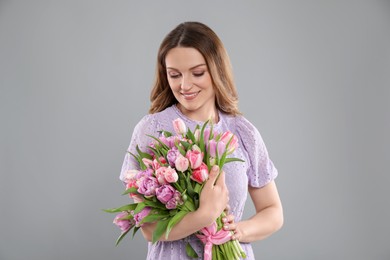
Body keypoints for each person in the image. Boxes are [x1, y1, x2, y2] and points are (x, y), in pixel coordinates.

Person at [120, 21, 283, 259]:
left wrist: (237, 230)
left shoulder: (242, 131)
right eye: (174, 75)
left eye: (197, 73)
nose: (185, 85)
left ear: (217, 70)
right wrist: (204, 216)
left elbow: (273, 211)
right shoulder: (152, 128)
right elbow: (148, 228)